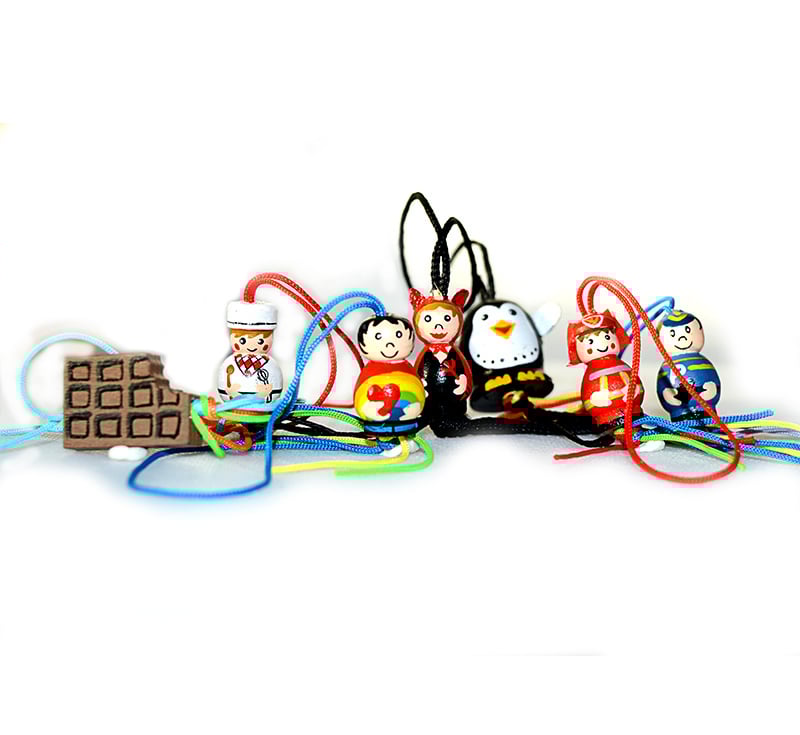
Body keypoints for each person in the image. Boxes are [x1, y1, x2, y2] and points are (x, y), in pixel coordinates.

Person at [567, 310, 644, 430]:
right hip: (607, 417)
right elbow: (588, 393)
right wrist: (595, 399)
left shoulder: (620, 365)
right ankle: (625, 432)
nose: (602, 344)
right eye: (590, 341)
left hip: (633, 410)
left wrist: (635, 390)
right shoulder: (592, 372)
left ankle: (633, 430)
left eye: (607, 337)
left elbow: (636, 382)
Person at [353, 314, 425, 435]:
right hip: (375, 426)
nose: (390, 345)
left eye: (399, 335)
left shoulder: (407, 368)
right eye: (378, 336)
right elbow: (361, 394)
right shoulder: (370, 370)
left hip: (407, 423)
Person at [656, 310, 721, 421]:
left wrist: (711, 389)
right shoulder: (666, 367)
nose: (682, 337)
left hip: (707, 411)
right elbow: (663, 387)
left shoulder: (702, 362)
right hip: (680, 415)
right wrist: (667, 395)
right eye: (673, 334)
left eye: (688, 330)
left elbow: (713, 381)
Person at [217, 300, 283, 408]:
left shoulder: (271, 364)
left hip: (264, 409)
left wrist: (266, 392)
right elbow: (224, 391)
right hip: (234, 407)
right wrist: (230, 391)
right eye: (242, 341)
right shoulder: (230, 363)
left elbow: (274, 391)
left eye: (260, 341)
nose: (252, 346)